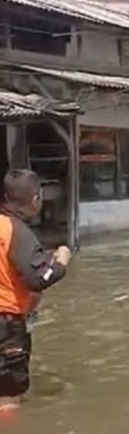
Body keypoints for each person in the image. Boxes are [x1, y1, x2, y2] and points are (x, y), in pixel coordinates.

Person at [0, 170, 70, 416]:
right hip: (6, 325)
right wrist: (61, 262)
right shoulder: (17, 231)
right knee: (7, 397)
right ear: (35, 199)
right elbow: (40, 278)